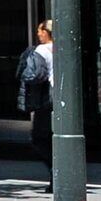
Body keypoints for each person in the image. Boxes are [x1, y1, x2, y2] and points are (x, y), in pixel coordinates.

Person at [18, 19, 57, 163]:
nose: (38, 34)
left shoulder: (41, 50)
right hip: (58, 93)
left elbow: (35, 75)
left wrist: (24, 74)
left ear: (46, 32)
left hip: (46, 96)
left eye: (40, 31)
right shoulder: (61, 47)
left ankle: (54, 169)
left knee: (39, 138)